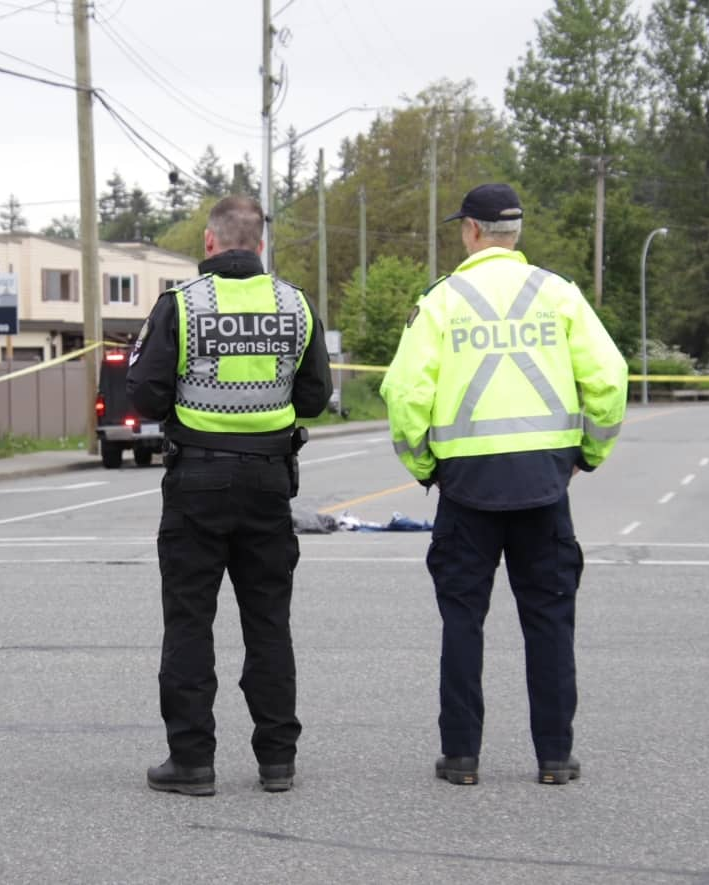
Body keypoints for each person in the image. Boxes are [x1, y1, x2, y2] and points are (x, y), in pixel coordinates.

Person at [380, 183, 627, 786]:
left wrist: (425, 468)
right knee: (548, 620)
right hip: (544, 484)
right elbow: (609, 378)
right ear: (515, 233)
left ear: (470, 231)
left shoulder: (442, 300)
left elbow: (405, 394)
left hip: (467, 487)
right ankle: (554, 756)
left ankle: (462, 755)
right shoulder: (559, 294)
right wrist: (586, 455)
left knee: (463, 620)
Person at [127, 194, 333, 796]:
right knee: (269, 622)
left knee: (190, 622)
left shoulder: (182, 306)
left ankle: (191, 762)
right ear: (261, 244)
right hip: (269, 483)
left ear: (210, 243)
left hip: (197, 484)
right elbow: (316, 396)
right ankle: (277, 761)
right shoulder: (295, 305)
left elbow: (144, 394)